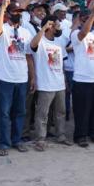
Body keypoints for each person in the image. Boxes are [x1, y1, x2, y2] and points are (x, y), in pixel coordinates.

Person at [0, 0, 34, 155]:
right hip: (5, 78)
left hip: (21, 78)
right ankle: (4, 144)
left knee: (20, 111)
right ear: (8, 14)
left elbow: (29, 56)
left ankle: (16, 140)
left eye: (20, 12)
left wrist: (33, 77)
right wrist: (2, 8)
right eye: (15, 12)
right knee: (4, 112)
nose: (18, 15)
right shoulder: (2, 29)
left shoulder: (26, 32)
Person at [29, 15, 69, 151]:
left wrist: (64, 78)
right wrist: (43, 28)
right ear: (49, 26)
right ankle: (40, 139)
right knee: (42, 114)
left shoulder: (59, 43)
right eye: (56, 24)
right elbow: (32, 45)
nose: (59, 27)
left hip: (59, 84)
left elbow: (61, 62)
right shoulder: (40, 42)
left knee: (61, 112)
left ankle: (61, 135)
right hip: (46, 84)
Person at [71, 4, 94, 147]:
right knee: (82, 111)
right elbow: (83, 33)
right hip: (82, 79)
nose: (93, 21)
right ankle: (81, 136)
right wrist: (92, 15)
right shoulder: (75, 34)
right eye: (89, 18)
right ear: (81, 19)